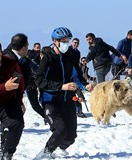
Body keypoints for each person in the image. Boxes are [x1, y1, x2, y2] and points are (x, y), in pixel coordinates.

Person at [35, 27, 92, 157]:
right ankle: (45, 154)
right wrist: (61, 86)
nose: (66, 43)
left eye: (68, 40)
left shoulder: (70, 56)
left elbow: (77, 75)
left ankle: (60, 149)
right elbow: (39, 80)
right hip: (50, 100)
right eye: (63, 41)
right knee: (59, 130)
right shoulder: (48, 58)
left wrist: (86, 85)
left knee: (71, 135)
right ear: (54, 41)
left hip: (67, 99)